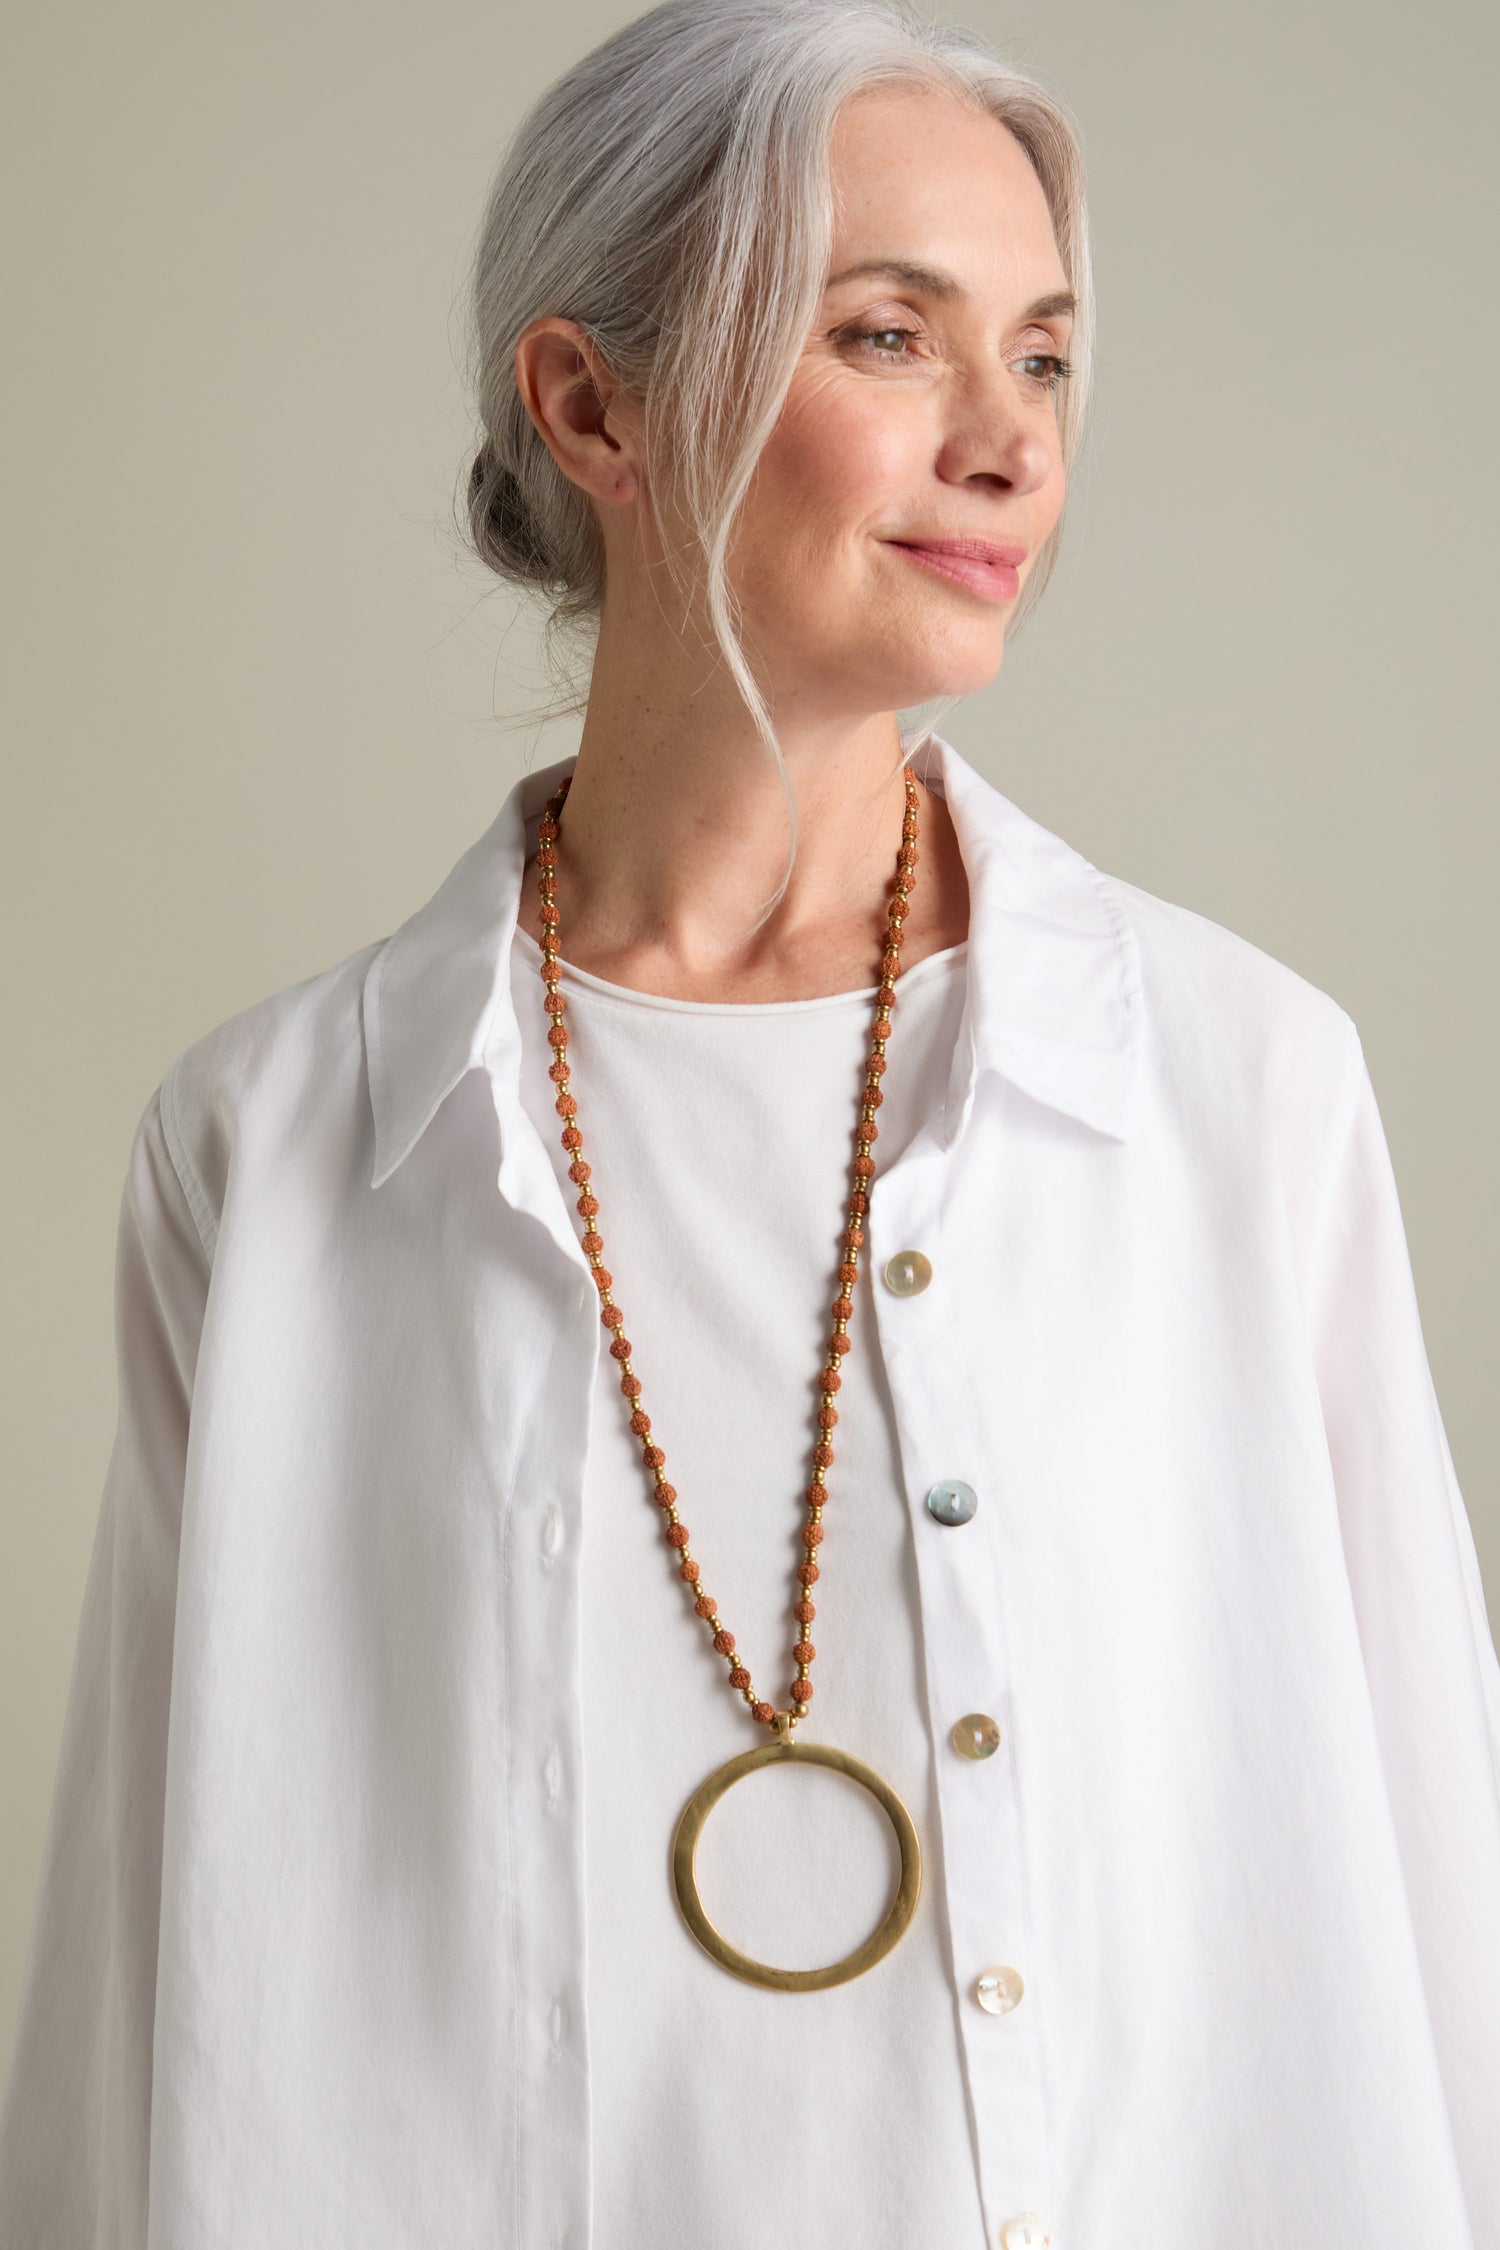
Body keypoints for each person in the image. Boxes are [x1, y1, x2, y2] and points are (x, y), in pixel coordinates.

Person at [2, 1, 1497, 2245]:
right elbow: (149, 1967)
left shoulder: (1238, 1084)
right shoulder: (279, 1148)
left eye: (1050, 358)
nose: (1009, 444)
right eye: (893, 336)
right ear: (590, 401)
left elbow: (1434, 1890)